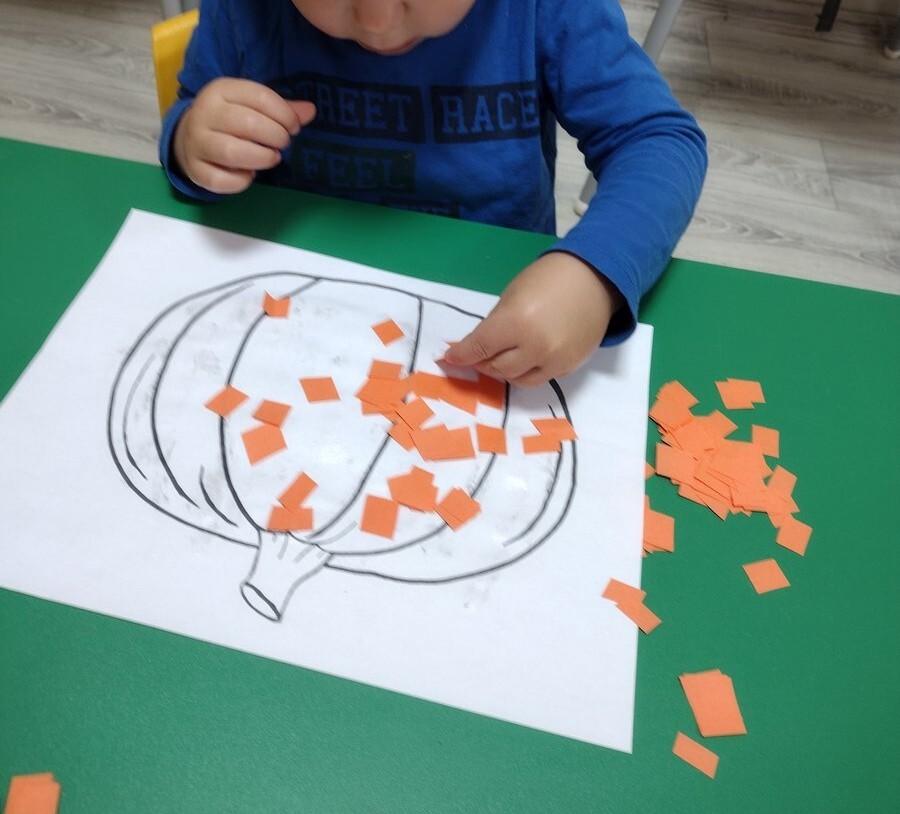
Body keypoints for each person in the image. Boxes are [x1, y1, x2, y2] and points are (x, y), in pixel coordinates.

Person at [161, 0, 707, 386]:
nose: (377, 20)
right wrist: (192, 142)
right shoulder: (243, 9)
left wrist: (594, 275)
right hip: (293, 316)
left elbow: (658, 141)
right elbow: (193, 110)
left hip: (493, 313)